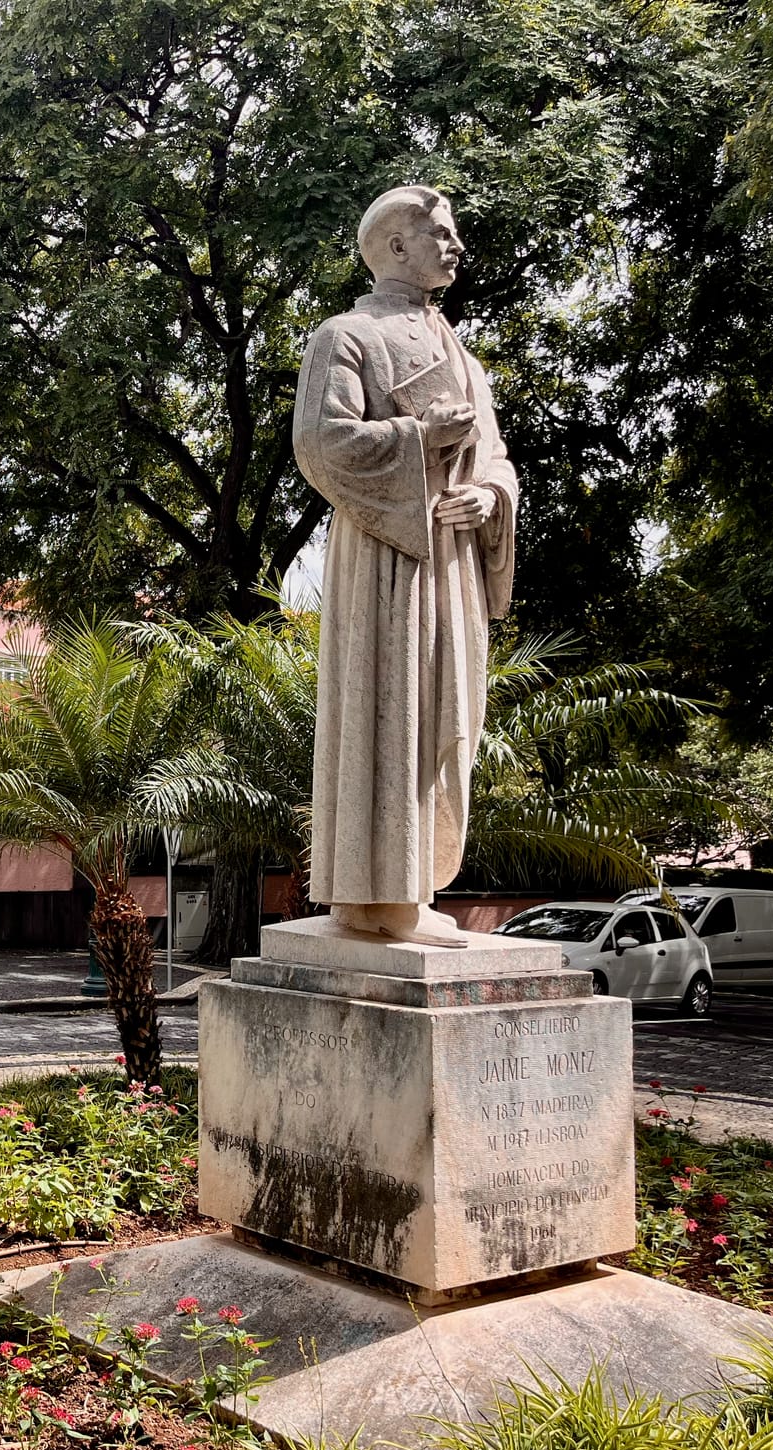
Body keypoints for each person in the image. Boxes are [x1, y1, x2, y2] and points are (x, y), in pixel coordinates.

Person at [292, 185, 519, 948]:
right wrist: (419, 438)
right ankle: (376, 900)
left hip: (452, 560)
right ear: (396, 245)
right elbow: (320, 443)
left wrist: (489, 497)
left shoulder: (465, 358)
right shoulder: (344, 336)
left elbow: (495, 457)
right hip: (384, 556)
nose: (456, 247)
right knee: (386, 707)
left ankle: (410, 890)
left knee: (443, 713)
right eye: (441, 235)